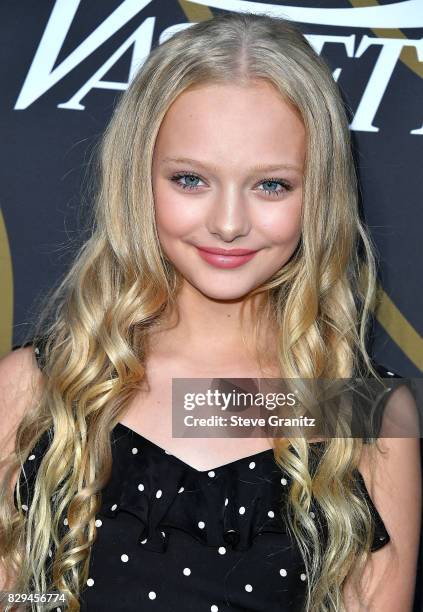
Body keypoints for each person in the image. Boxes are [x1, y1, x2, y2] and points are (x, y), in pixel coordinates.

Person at [0, 11, 421, 612]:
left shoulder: (364, 411)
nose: (228, 223)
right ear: (138, 178)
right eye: (191, 180)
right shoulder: (34, 389)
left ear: (320, 193)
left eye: (271, 185)